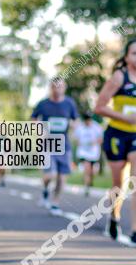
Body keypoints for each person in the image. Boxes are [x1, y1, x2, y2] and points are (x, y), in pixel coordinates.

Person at [95, 38, 136, 247]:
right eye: (134, 53)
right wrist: (126, 118)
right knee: (118, 185)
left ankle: (135, 231)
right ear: (126, 57)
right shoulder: (119, 77)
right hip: (117, 134)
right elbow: (99, 107)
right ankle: (114, 217)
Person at [31, 78, 78, 215]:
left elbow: (75, 120)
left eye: (60, 87)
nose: (57, 90)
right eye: (54, 87)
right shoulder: (43, 104)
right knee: (50, 174)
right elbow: (33, 120)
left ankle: (55, 202)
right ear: (50, 88)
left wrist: (74, 126)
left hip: (64, 145)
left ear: (64, 88)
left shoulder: (69, 103)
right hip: (47, 144)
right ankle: (45, 189)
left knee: (62, 177)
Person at [73, 112, 103, 197]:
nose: (87, 121)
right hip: (83, 152)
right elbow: (75, 137)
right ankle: (86, 188)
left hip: (94, 153)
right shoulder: (80, 128)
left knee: (92, 171)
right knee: (87, 168)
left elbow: (101, 138)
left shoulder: (96, 127)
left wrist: (95, 142)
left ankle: (89, 181)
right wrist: (78, 142)